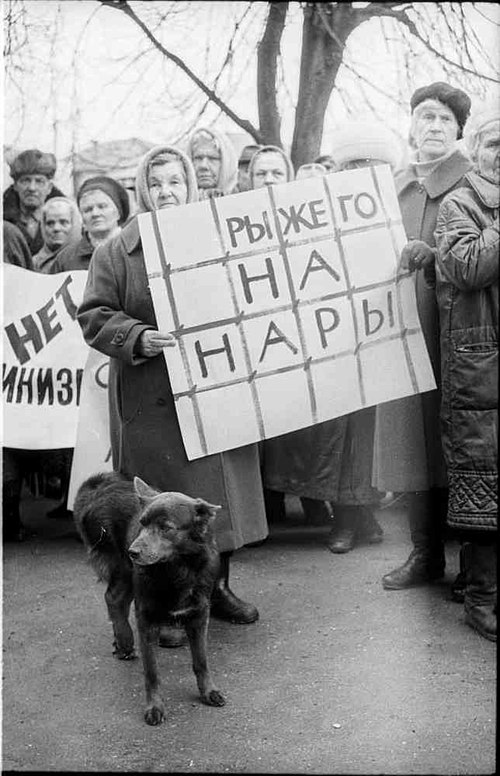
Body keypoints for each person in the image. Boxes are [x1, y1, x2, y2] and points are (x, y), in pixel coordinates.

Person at [77, 145, 268, 647]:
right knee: (160, 509)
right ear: (144, 190)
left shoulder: (218, 237)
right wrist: (137, 337)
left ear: (192, 186)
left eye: (175, 182)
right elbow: (94, 317)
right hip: (151, 398)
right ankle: (161, 606)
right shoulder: (115, 252)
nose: (167, 192)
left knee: (211, 501)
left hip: (214, 389)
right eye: (156, 183)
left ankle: (216, 590)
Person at [373, 82, 473, 590]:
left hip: (456, 335)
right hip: (400, 333)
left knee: (459, 444)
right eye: (425, 117)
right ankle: (424, 555)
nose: (433, 127)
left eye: (444, 120)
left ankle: (473, 564)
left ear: (459, 131)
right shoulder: (392, 186)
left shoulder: (473, 184)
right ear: (411, 125)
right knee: (414, 444)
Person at [248, 145, 341, 527]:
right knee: (265, 426)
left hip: (301, 333)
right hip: (258, 335)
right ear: (248, 179)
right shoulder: (234, 221)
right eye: (260, 174)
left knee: (304, 424)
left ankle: (312, 498)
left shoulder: (306, 220)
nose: (268, 181)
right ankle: (267, 505)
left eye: (275, 173)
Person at [433, 108, 498, 640]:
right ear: (476, 149)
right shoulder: (460, 202)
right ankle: (480, 598)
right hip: (480, 367)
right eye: (496, 144)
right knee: (484, 485)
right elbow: (467, 267)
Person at [324, 121, 401, 553]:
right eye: (354, 164)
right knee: (342, 433)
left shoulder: (396, 212)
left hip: (382, 334)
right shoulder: (326, 214)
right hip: (336, 336)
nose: (362, 172)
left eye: (371, 164)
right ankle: (348, 519)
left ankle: (361, 515)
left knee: (372, 433)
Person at [51, 176, 130, 273]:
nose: (95, 214)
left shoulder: (134, 249)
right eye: (88, 210)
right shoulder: (66, 259)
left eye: (102, 207)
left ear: (118, 212)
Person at [3, 149, 65, 255]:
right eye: (26, 180)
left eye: (39, 181)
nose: (32, 188)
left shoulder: (65, 223)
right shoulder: (4, 222)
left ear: (49, 187)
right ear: (15, 186)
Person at [32, 197, 82, 273]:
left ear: (75, 224)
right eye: (50, 223)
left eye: (63, 222)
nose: (56, 228)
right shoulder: (34, 263)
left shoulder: (87, 259)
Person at [187, 127, 238, 198]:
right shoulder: (177, 204)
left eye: (212, 158)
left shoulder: (246, 202)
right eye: (198, 158)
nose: (203, 166)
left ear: (228, 164)